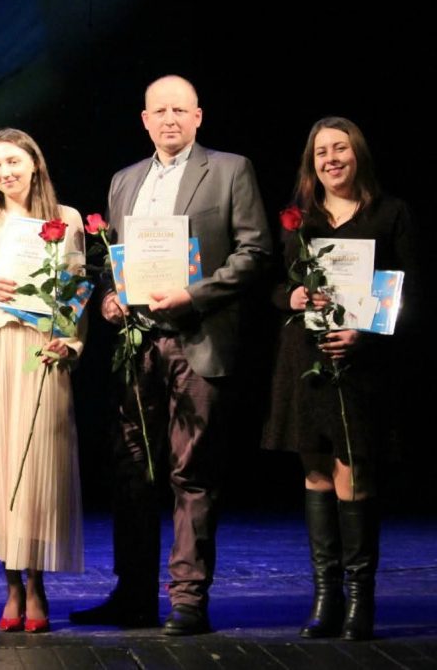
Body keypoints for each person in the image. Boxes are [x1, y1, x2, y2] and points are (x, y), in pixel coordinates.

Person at [70, 75, 271, 635]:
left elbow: (255, 252)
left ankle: (188, 599)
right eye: (159, 111)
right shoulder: (125, 180)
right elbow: (110, 258)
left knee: (192, 472)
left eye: (180, 110)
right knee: (132, 471)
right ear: (145, 120)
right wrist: (109, 297)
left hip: (196, 338)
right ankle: (133, 596)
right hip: (137, 344)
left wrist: (193, 294)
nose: (170, 119)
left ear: (198, 116)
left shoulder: (230, 170)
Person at [263, 117, 416, 641]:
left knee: (355, 474)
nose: (331, 159)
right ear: (312, 163)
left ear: (358, 155)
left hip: (360, 364)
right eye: (321, 152)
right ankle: (326, 598)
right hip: (304, 361)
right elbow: (274, 286)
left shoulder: (390, 214)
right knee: (316, 474)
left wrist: (363, 336)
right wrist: (291, 297)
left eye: (340, 149)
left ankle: (359, 600)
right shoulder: (299, 220)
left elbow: (406, 293)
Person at [0, 129, 85, 633]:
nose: (6, 172)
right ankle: (10, 586)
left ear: (34, 163)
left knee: (38, 471)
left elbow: (76, 292)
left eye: (14, 161)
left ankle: (37, 585)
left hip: (39, 353)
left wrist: (69, 343)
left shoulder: (66, 219)